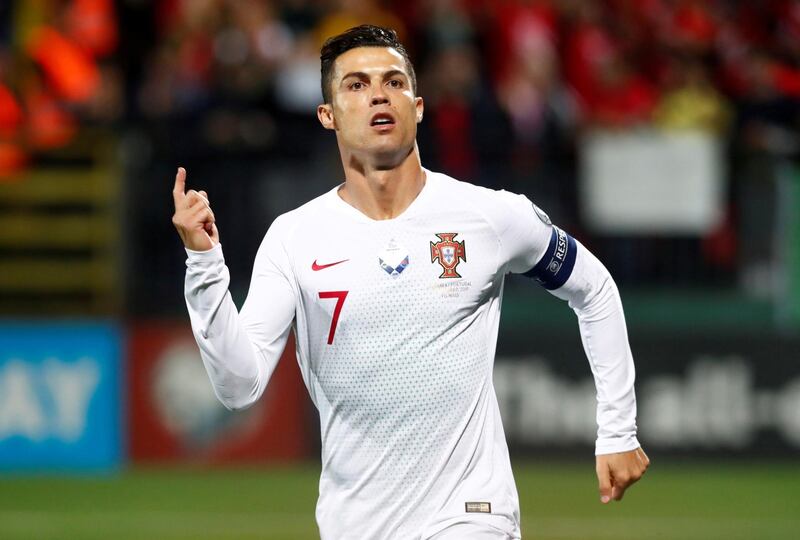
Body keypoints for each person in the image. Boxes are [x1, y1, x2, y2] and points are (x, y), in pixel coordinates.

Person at [172, 24, 648, 540]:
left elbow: (593, 289)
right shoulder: (295, 238)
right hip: (354, 524)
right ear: (327, 116)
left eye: (393, 81)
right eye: (356, 85)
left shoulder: (487, 216)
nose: (378, 93)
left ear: (417, 106)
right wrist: (204, 267)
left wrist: (617, 430)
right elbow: (239, 386)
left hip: (472, 513)